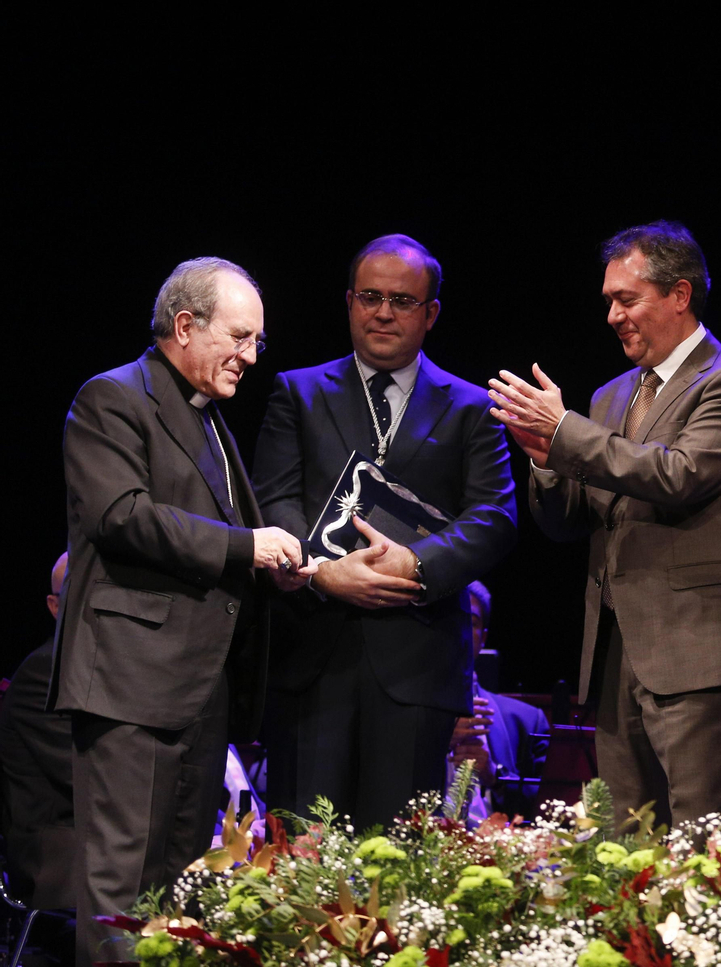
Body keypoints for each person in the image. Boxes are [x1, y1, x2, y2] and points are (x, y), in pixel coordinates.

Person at [54, 258, 309, 966]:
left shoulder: (211, 422)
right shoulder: (111, 398)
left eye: (259, 341)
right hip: (131, 688)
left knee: (183, 892)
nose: (252, 357)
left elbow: (225, 546)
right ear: (186, 324)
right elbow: (122, 517)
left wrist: (272, 569)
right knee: (120, 893)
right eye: (240, 336)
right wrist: (244, 546)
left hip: (199, 694)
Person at [488, 221, 721, 830]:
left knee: (701, 842)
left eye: (627, 299)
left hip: (699, 650)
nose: (613, 316)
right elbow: (569, 523)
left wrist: (566, 432)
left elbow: (679, 476)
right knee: (629, 842)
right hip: (618, 651)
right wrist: (546, 458)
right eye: (609, 302)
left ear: (679, 294)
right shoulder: (610, 397)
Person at [253, 234, 518, 831]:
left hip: (417, 666)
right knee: (304, 850)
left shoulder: (473, 407)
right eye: (369, 296)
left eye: (402, 300)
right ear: (349, 301)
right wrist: (322, 573)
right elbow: (273, 501)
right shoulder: (297, 392)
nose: (383, 312)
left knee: (397, 863)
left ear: (431, 314)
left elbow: (494, 518)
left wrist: (415, 565)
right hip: (313, 660)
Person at [0, 553, 75, 909]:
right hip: (57, 858)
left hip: (98, 840)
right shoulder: (43, 673)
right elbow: (87, 776)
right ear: (54, 606)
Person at [448, 581, 549, 821]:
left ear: (483, 637)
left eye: (471, 622)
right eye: (451, 621)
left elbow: (548, 806)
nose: (460, 630)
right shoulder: (397, 715)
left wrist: (495, 776)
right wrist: (440, 738)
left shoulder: (528, 721)